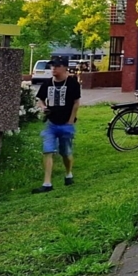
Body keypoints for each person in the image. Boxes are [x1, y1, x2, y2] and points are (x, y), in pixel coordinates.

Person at [32, 57, 81, 194]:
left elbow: (76, 103)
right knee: (48, 151)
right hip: (51, 124)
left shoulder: (72, 83)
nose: (53, 68)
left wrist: (70, 121)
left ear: (65, 67)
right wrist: (43, 107)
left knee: (66, 152)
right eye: (52, 66)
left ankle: (68, 173)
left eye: (57, 66)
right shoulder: (47, 83)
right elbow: (40, 98)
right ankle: (47, 183)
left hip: (66, 124)